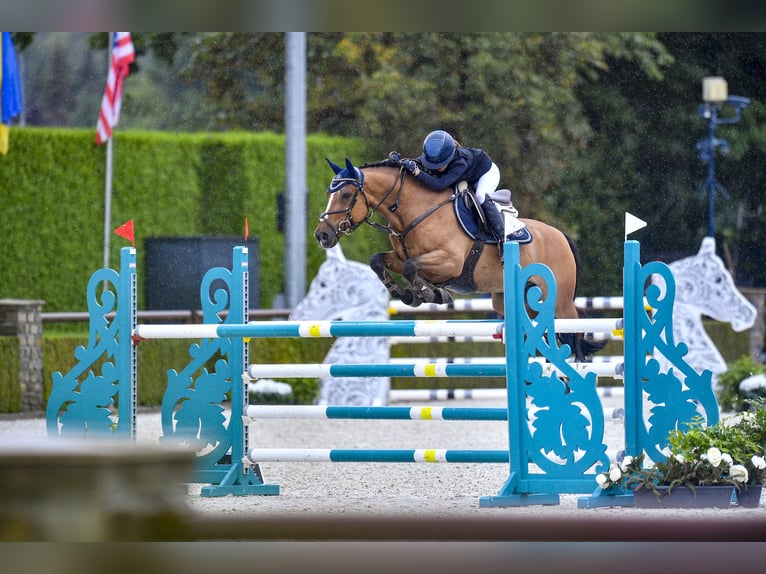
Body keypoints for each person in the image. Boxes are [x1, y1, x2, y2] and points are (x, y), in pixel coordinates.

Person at [400, 129, 511, 241]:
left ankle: (503, 238)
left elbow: (440, 184)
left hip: (486, 173)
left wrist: (417, 172)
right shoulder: (436, 154)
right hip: (468, 175)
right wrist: (400, 163)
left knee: (480, 197)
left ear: (449, 157)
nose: (436, 167)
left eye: (440, 163)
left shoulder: (460, 162)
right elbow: (419, 163)